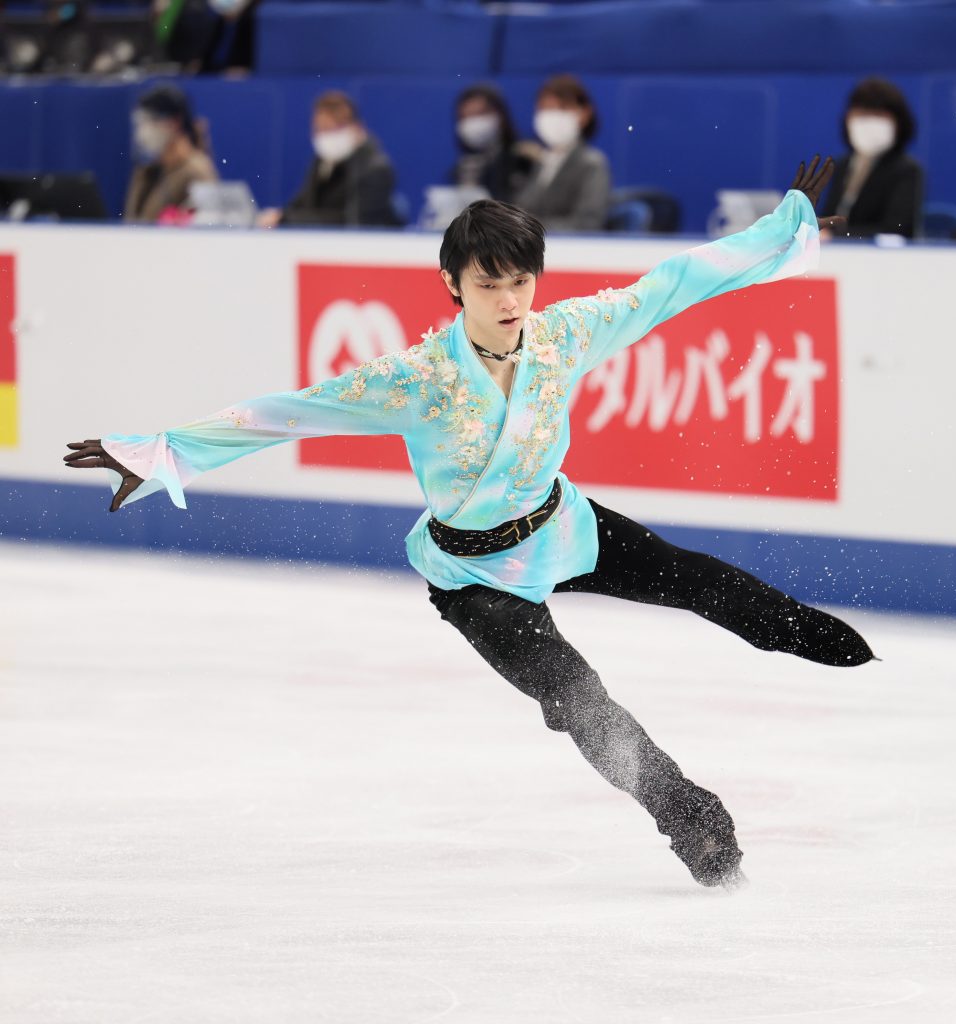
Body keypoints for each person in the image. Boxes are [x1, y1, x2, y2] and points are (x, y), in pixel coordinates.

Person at [65, 156, 870, 890]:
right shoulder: (414, 379)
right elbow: (285, 414)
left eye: (521, 280)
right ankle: (691, 821)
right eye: (489, 284)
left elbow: (673, 282)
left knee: (701, 580)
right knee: (578, 700)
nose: (510, 300)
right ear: (453, 283)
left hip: (563, 527)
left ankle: (816, 639)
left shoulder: (565, 334)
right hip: (475, 577)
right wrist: (162, 450)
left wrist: (783, 230)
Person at [256, 91, 400, 229]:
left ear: (356, 128)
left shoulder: (375, 169)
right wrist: (280, 216)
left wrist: (286, 219)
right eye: (320, 129)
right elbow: (304, 203)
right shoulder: (324, 159)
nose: (325, 136)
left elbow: (354, 220)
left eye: (332, 129)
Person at [819, 77, 924, 240]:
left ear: (898, 122)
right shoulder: (842, 165)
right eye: (862, 115)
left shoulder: (907, 170)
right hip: (836, 257)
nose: (869, 124)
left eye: (878, 115)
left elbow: (897, 229)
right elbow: (827, 220)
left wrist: (836, 236)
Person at [513, 74, 611, 232]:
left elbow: (588, 223)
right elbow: (522, 209)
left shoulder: (592, 163)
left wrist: (530, 230)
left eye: (562, 108)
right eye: (545, 109)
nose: (552, 116)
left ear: (585, 113)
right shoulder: (539, 161)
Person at [124, 83, 218, 225]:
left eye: (151, 121)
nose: (143, 131)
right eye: (140, 122)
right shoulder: (147, 170)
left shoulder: (197, 172)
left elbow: (206, 229)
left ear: (174, 122)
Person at [450, 83, 533, 203]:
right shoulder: (461, 169)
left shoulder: (523, 159)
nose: (474, 123)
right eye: (466, 117)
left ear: (500, 115)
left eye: (480, 114)